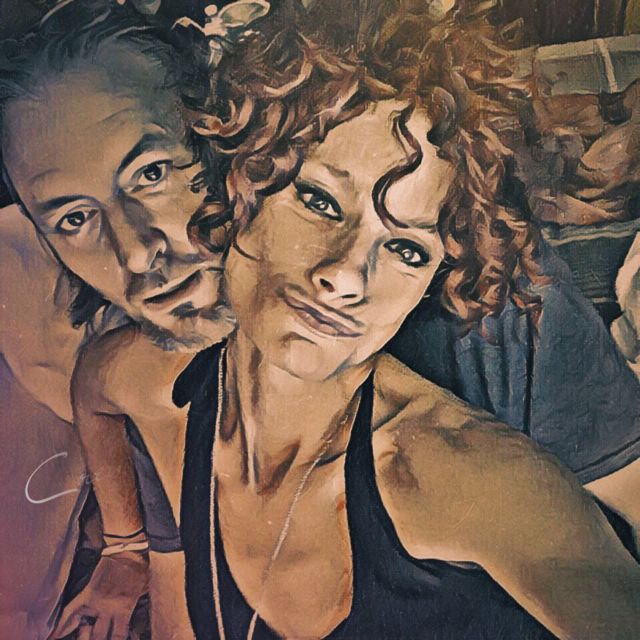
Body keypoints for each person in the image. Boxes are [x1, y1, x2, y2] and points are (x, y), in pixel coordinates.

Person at [67, 2, 640, 638]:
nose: (346, 277)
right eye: (319, 200)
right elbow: (94, 386)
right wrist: (124, 546)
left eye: (407, 250)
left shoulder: (474, 480)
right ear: (240, 182)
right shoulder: (155, 380)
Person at [0, 1, 235, 637]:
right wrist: (125, 547)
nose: (134, 252)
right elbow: (97, 384)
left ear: (218, 133)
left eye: (151, 174)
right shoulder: (136, 365)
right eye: (74, 218)